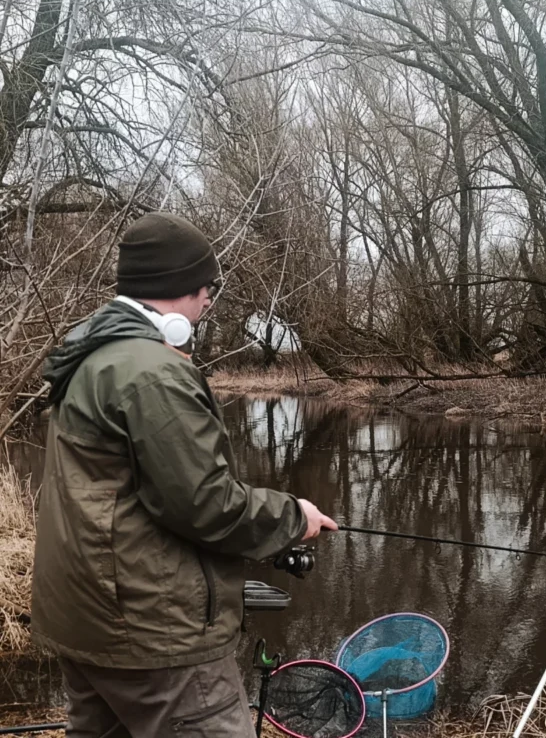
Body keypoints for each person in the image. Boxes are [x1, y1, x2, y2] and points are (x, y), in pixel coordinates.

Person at [31, 212, 338, 737]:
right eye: (206, 288)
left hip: (85, 620)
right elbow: (204, 502)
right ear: (180, 289)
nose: (209, 301)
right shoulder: (151, 372)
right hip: (154, 635)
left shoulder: (92, 358)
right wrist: (293, 517)